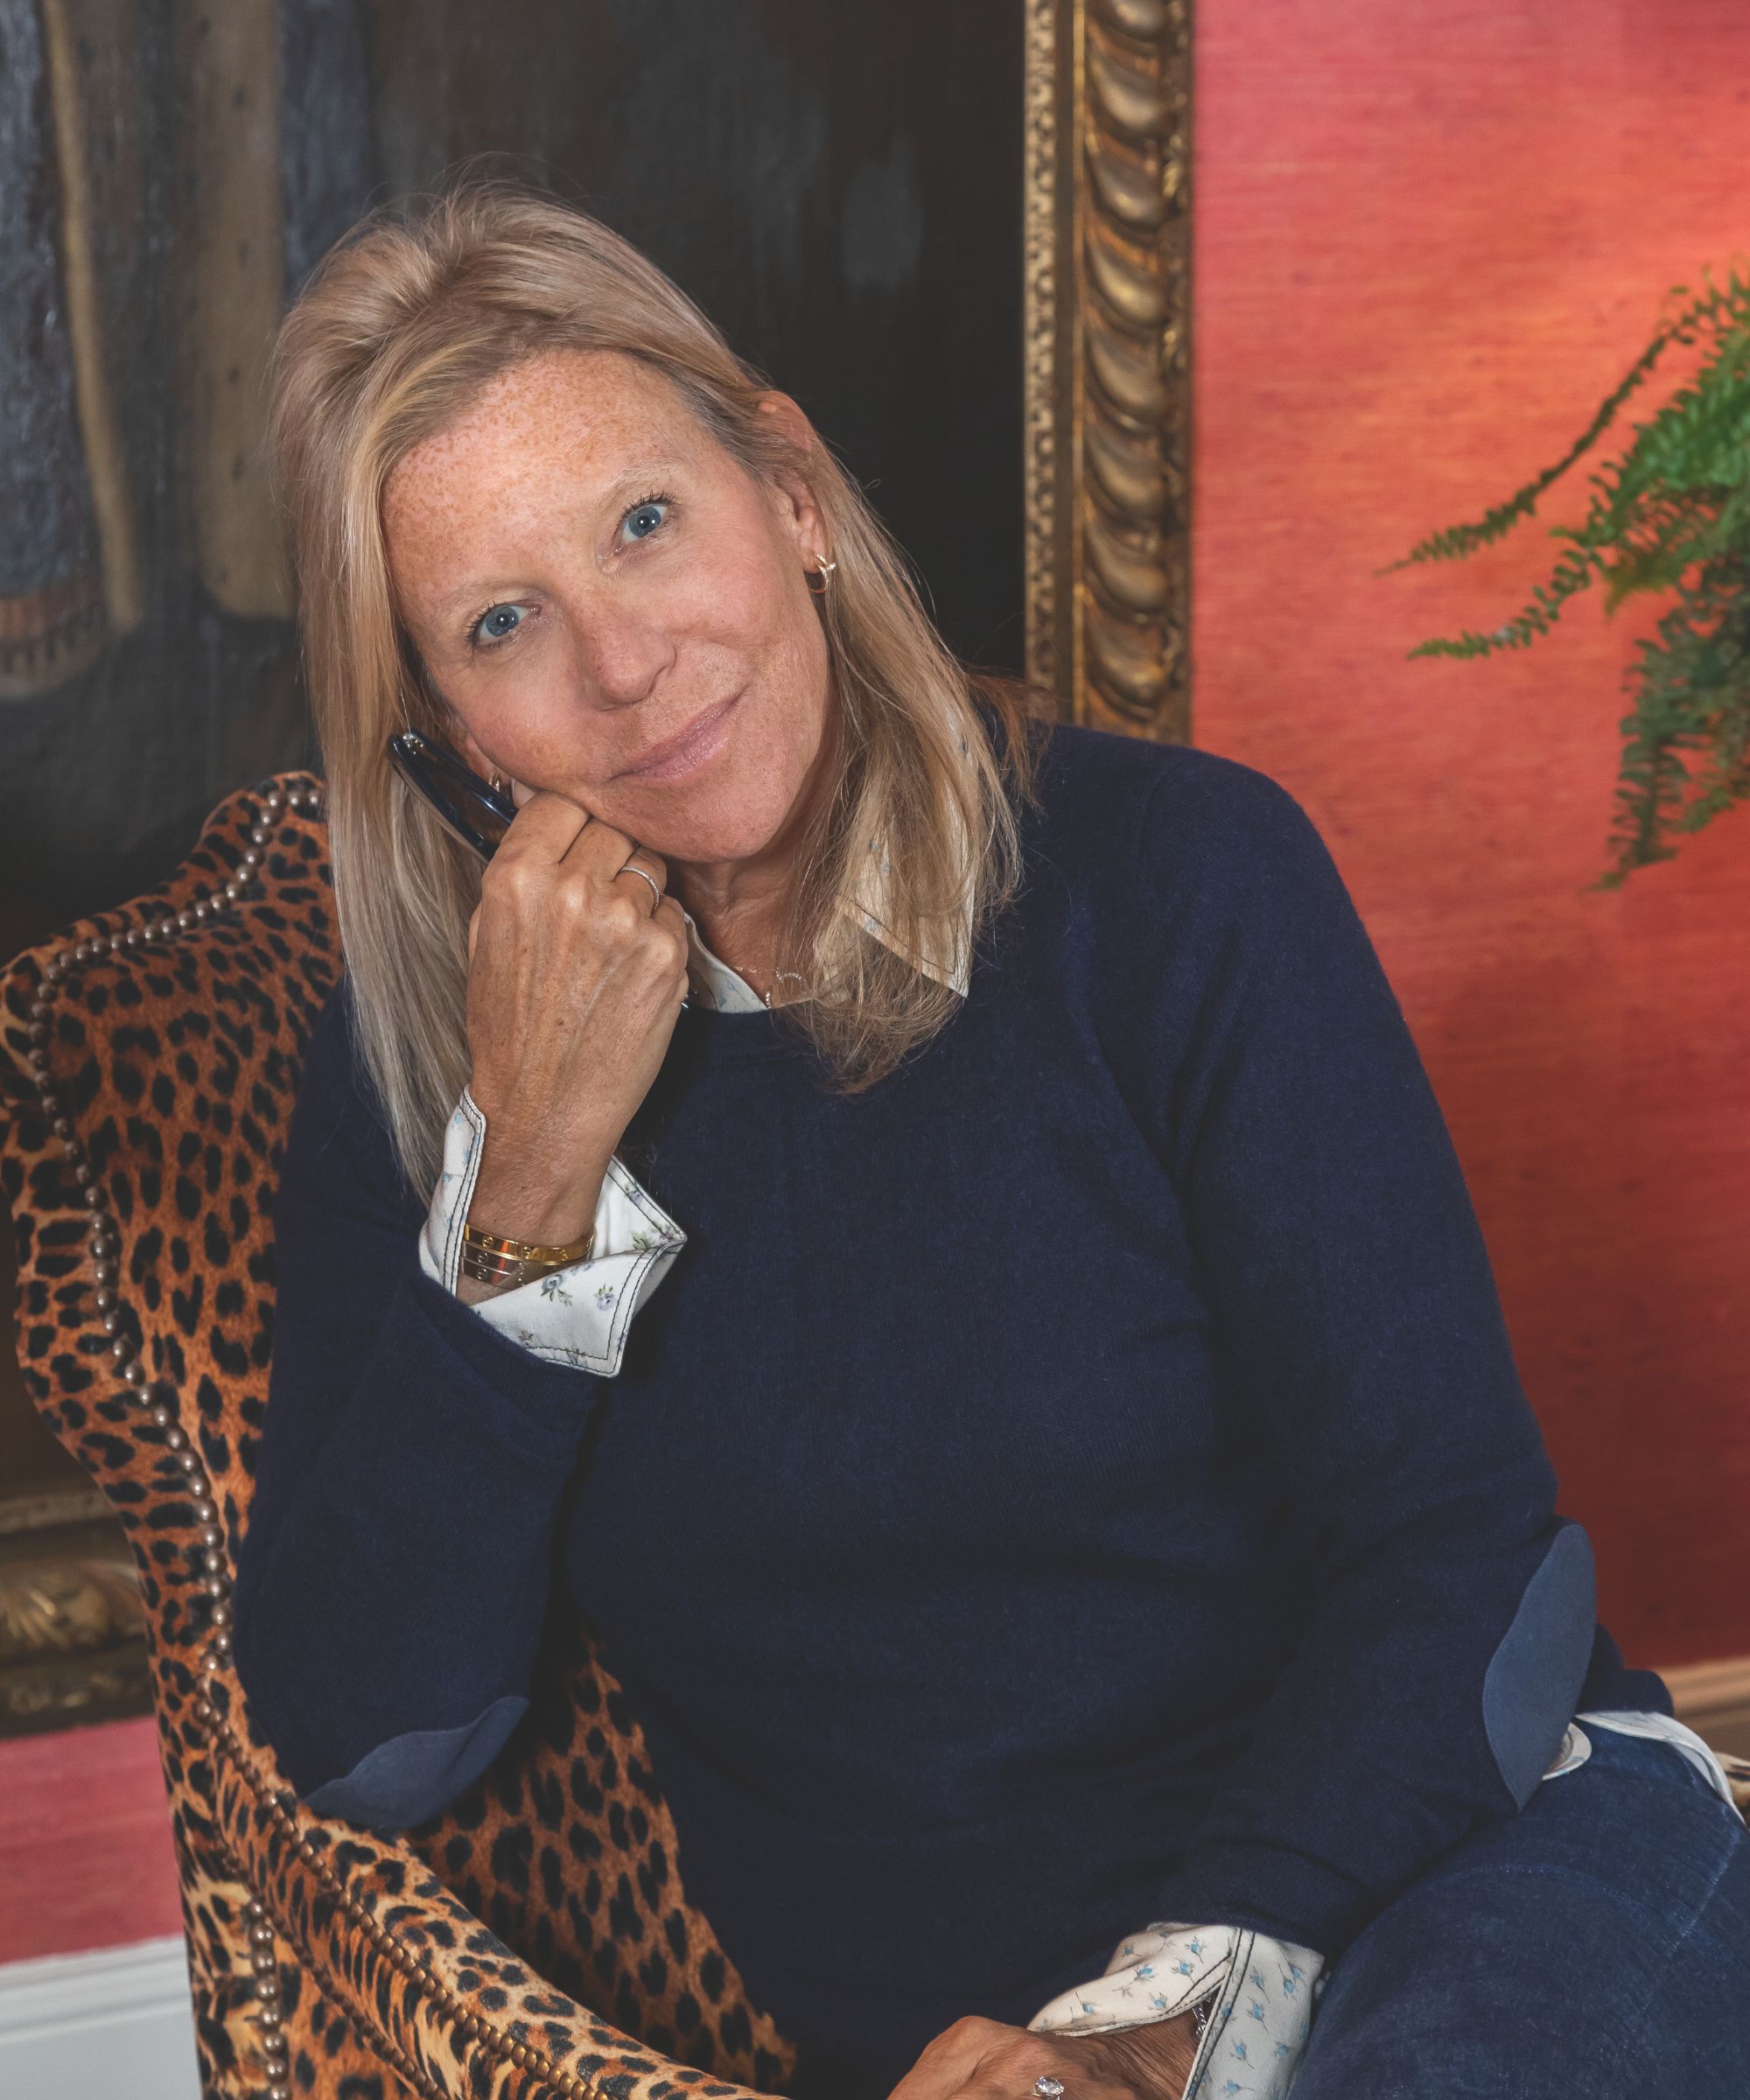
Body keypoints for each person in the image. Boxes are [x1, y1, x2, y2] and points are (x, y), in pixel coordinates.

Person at [232, 176, 1750, 2100]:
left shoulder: (1175, 880)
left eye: (645, 522)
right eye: (504, 621)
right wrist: (531, 1176)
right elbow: (373, 1743)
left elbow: (1464, 1553)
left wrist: (1161, 2017)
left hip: (1463, 1874)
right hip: (976, 2045)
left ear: (791, 496)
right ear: (450, 735)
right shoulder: (437, 1083)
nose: (622, 664)